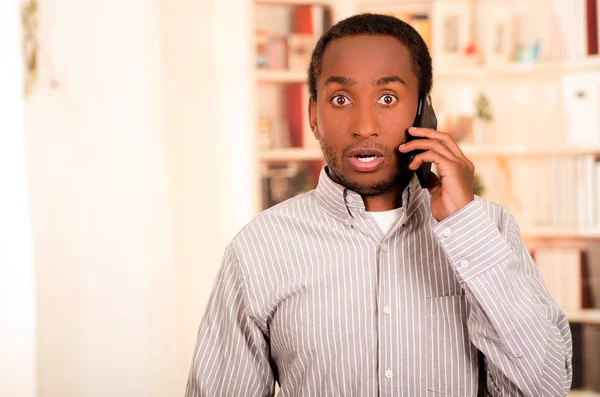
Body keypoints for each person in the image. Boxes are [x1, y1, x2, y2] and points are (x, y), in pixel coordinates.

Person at [185, 14, 572, 397]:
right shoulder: (258, 248)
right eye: (340, 99)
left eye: (388, 98)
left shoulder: (490, 228)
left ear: (423, 112)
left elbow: (545, 389)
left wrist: (465, 227)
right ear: (313, 116)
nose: (364, 125)